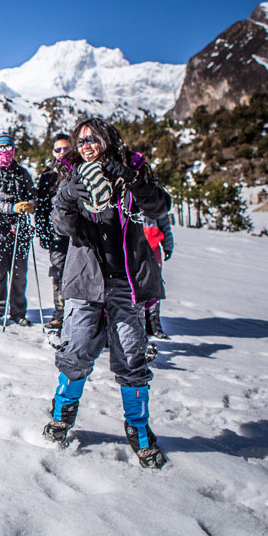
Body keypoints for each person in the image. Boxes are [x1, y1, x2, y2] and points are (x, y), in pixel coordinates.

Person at [42, 117, 171, 469]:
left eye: (92, 139)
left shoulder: (131, 174)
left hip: (125, 284)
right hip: (86, 283)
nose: (85, 145)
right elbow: (62, 225)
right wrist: (67, 195)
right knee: (76, 352)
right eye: (80, 140)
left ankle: (139, 430)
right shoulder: (73, 178)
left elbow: (160, 207)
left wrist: (132, 179)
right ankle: (60, 416)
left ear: (107, 140)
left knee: (132, 358)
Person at [0, 133, 37, 326]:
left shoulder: (22, 172)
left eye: (8, 147)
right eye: (0, 147)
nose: (5, 151)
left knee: (19, 273)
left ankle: (18, 312)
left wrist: (30, 204)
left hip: (19, 228)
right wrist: (11, 207)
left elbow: (33, 193)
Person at [33, 133, 72, 334]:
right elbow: (40, 206)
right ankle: (59, 313)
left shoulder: (80, 170)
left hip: (78, 235)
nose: (62, 153)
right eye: (58, 149)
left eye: (66, 148)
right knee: (58, 273)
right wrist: (43, 231)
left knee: (79, 274)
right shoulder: (48, 175)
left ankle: (79, 314)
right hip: (56, 234)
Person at [142, 213, 174, 340]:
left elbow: (164, 220)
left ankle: (153, 322)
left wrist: (168, 244)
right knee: (132, 286)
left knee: (154, 285)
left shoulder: (155, 194)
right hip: (130, 243)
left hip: (153, 244)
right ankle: (135, 322)